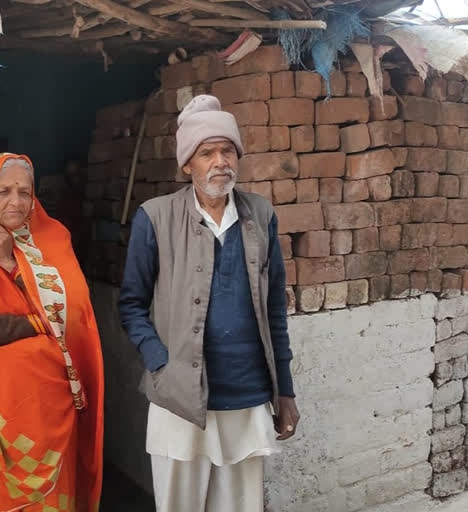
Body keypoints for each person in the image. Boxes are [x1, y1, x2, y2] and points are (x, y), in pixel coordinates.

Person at [118, 95, 299, 511]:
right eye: (207, 153)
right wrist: (161, 362)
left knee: (239, 506)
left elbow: (275, 309)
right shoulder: (156, 217)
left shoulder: (261, 215)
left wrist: (283, 391)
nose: (221, 162)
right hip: (179, 396)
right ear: (187, 165)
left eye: (228, 151)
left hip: (248, 392)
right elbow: (131, 304)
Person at [0, 153, 104, 512]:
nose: (15, 202)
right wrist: (34, 324)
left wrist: (12, 264)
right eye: (3, 192)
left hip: (54, 407)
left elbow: (71, 315)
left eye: (24, 192)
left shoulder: (55, 238)